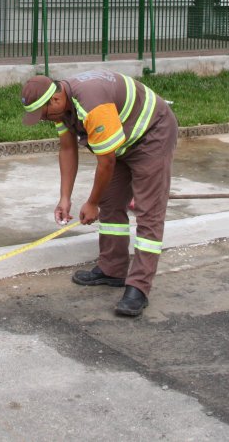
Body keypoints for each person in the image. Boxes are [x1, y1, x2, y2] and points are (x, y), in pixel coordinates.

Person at [21, 69, 177, 318]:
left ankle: (139, 287)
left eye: (43, 115)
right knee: (111, 202)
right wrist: (65, 198)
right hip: (122, 139)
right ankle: (113, 269)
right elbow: (67, 149)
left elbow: (107, 163)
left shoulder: (92, 106)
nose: (44, 120)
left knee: (149, 212)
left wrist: (91, 203)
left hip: (152, 135)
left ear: (56, 100)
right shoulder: (61, 105)